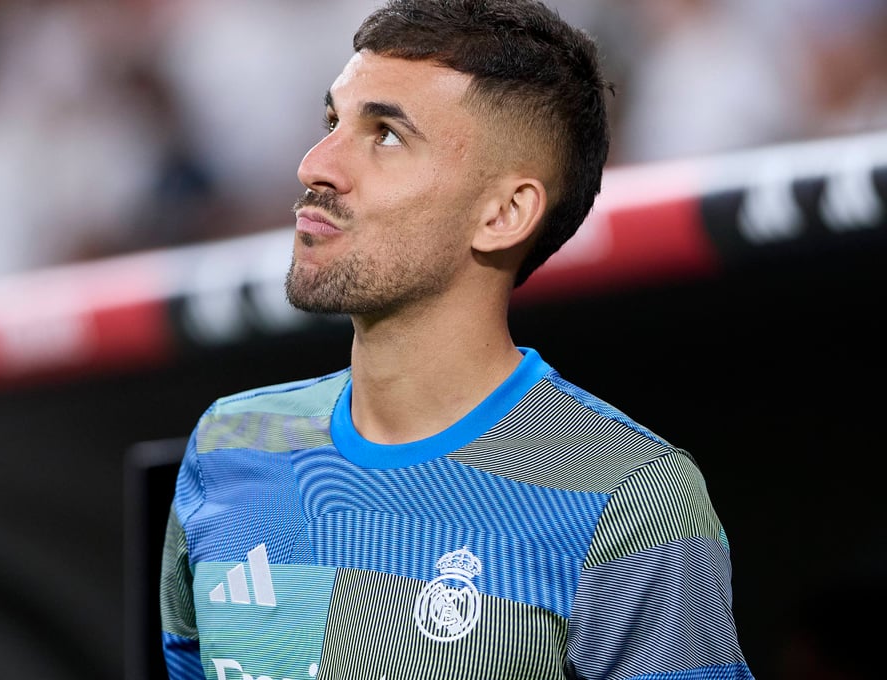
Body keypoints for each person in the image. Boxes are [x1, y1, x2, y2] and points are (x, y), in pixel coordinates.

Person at [159, 1, 754, 678]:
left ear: (504, 214)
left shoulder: (633, 498)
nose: (315, 166)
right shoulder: (229, 445)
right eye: (332, 123)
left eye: (386, 136)